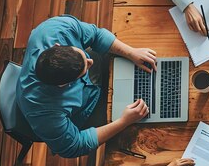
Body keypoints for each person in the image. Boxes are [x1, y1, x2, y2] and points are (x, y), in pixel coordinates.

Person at [16, 15, 158, 158]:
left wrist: (131, 52)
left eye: (83, 56)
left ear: (57, 46)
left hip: (92, 83)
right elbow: (75, 146)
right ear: (63, 85)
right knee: (139, 131)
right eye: (85, 68)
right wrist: (123, 121)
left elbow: (96, 35)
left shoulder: (56, 28)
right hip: (86, 109)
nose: (91, 61)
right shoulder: (44, 113)